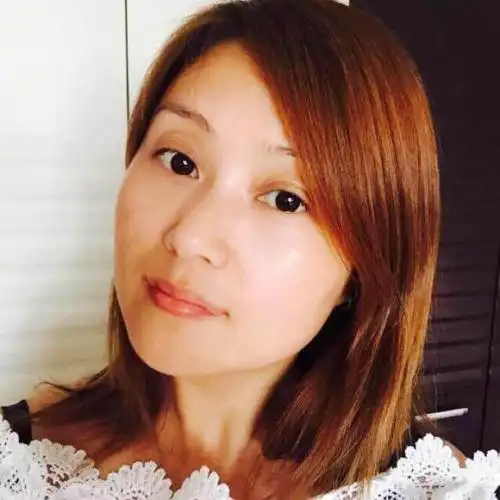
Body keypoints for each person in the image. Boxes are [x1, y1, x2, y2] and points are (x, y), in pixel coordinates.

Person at [1, 0, 498, 498]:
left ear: (361, 270)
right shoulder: (20, 461)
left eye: (285, 199)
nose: (189, 236)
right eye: (179, 161)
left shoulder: (432, 491)